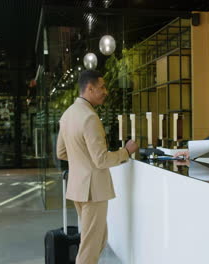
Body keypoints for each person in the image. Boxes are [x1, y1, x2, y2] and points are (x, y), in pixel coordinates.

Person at [56, 70, 138, 264]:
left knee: (98, 240)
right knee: (90, 247)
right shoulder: (90, 118)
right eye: (102, 87)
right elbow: (101, 160)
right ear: (90, 88)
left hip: (78, 189)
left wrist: (82, 161)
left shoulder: (67, 115)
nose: (105, 91)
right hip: (93, 191)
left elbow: (61, 152)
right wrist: (126, 152)